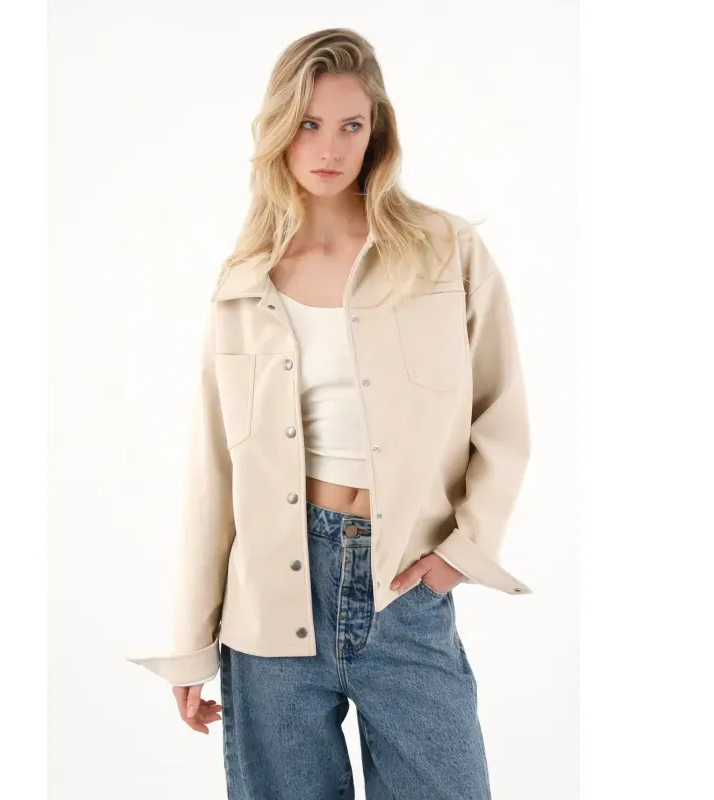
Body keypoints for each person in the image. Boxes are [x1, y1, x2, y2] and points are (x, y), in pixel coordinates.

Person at [126, 27, 532, 799]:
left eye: (352, 124)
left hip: (404, 585)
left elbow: (502, 413)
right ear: (279, 129)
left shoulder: (445, 251)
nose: (330, 147)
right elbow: (212, 473)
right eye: (309, 123)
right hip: (268, 605)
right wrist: (190, 643)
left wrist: (463, 551)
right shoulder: (244, 281)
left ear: (377, 131)